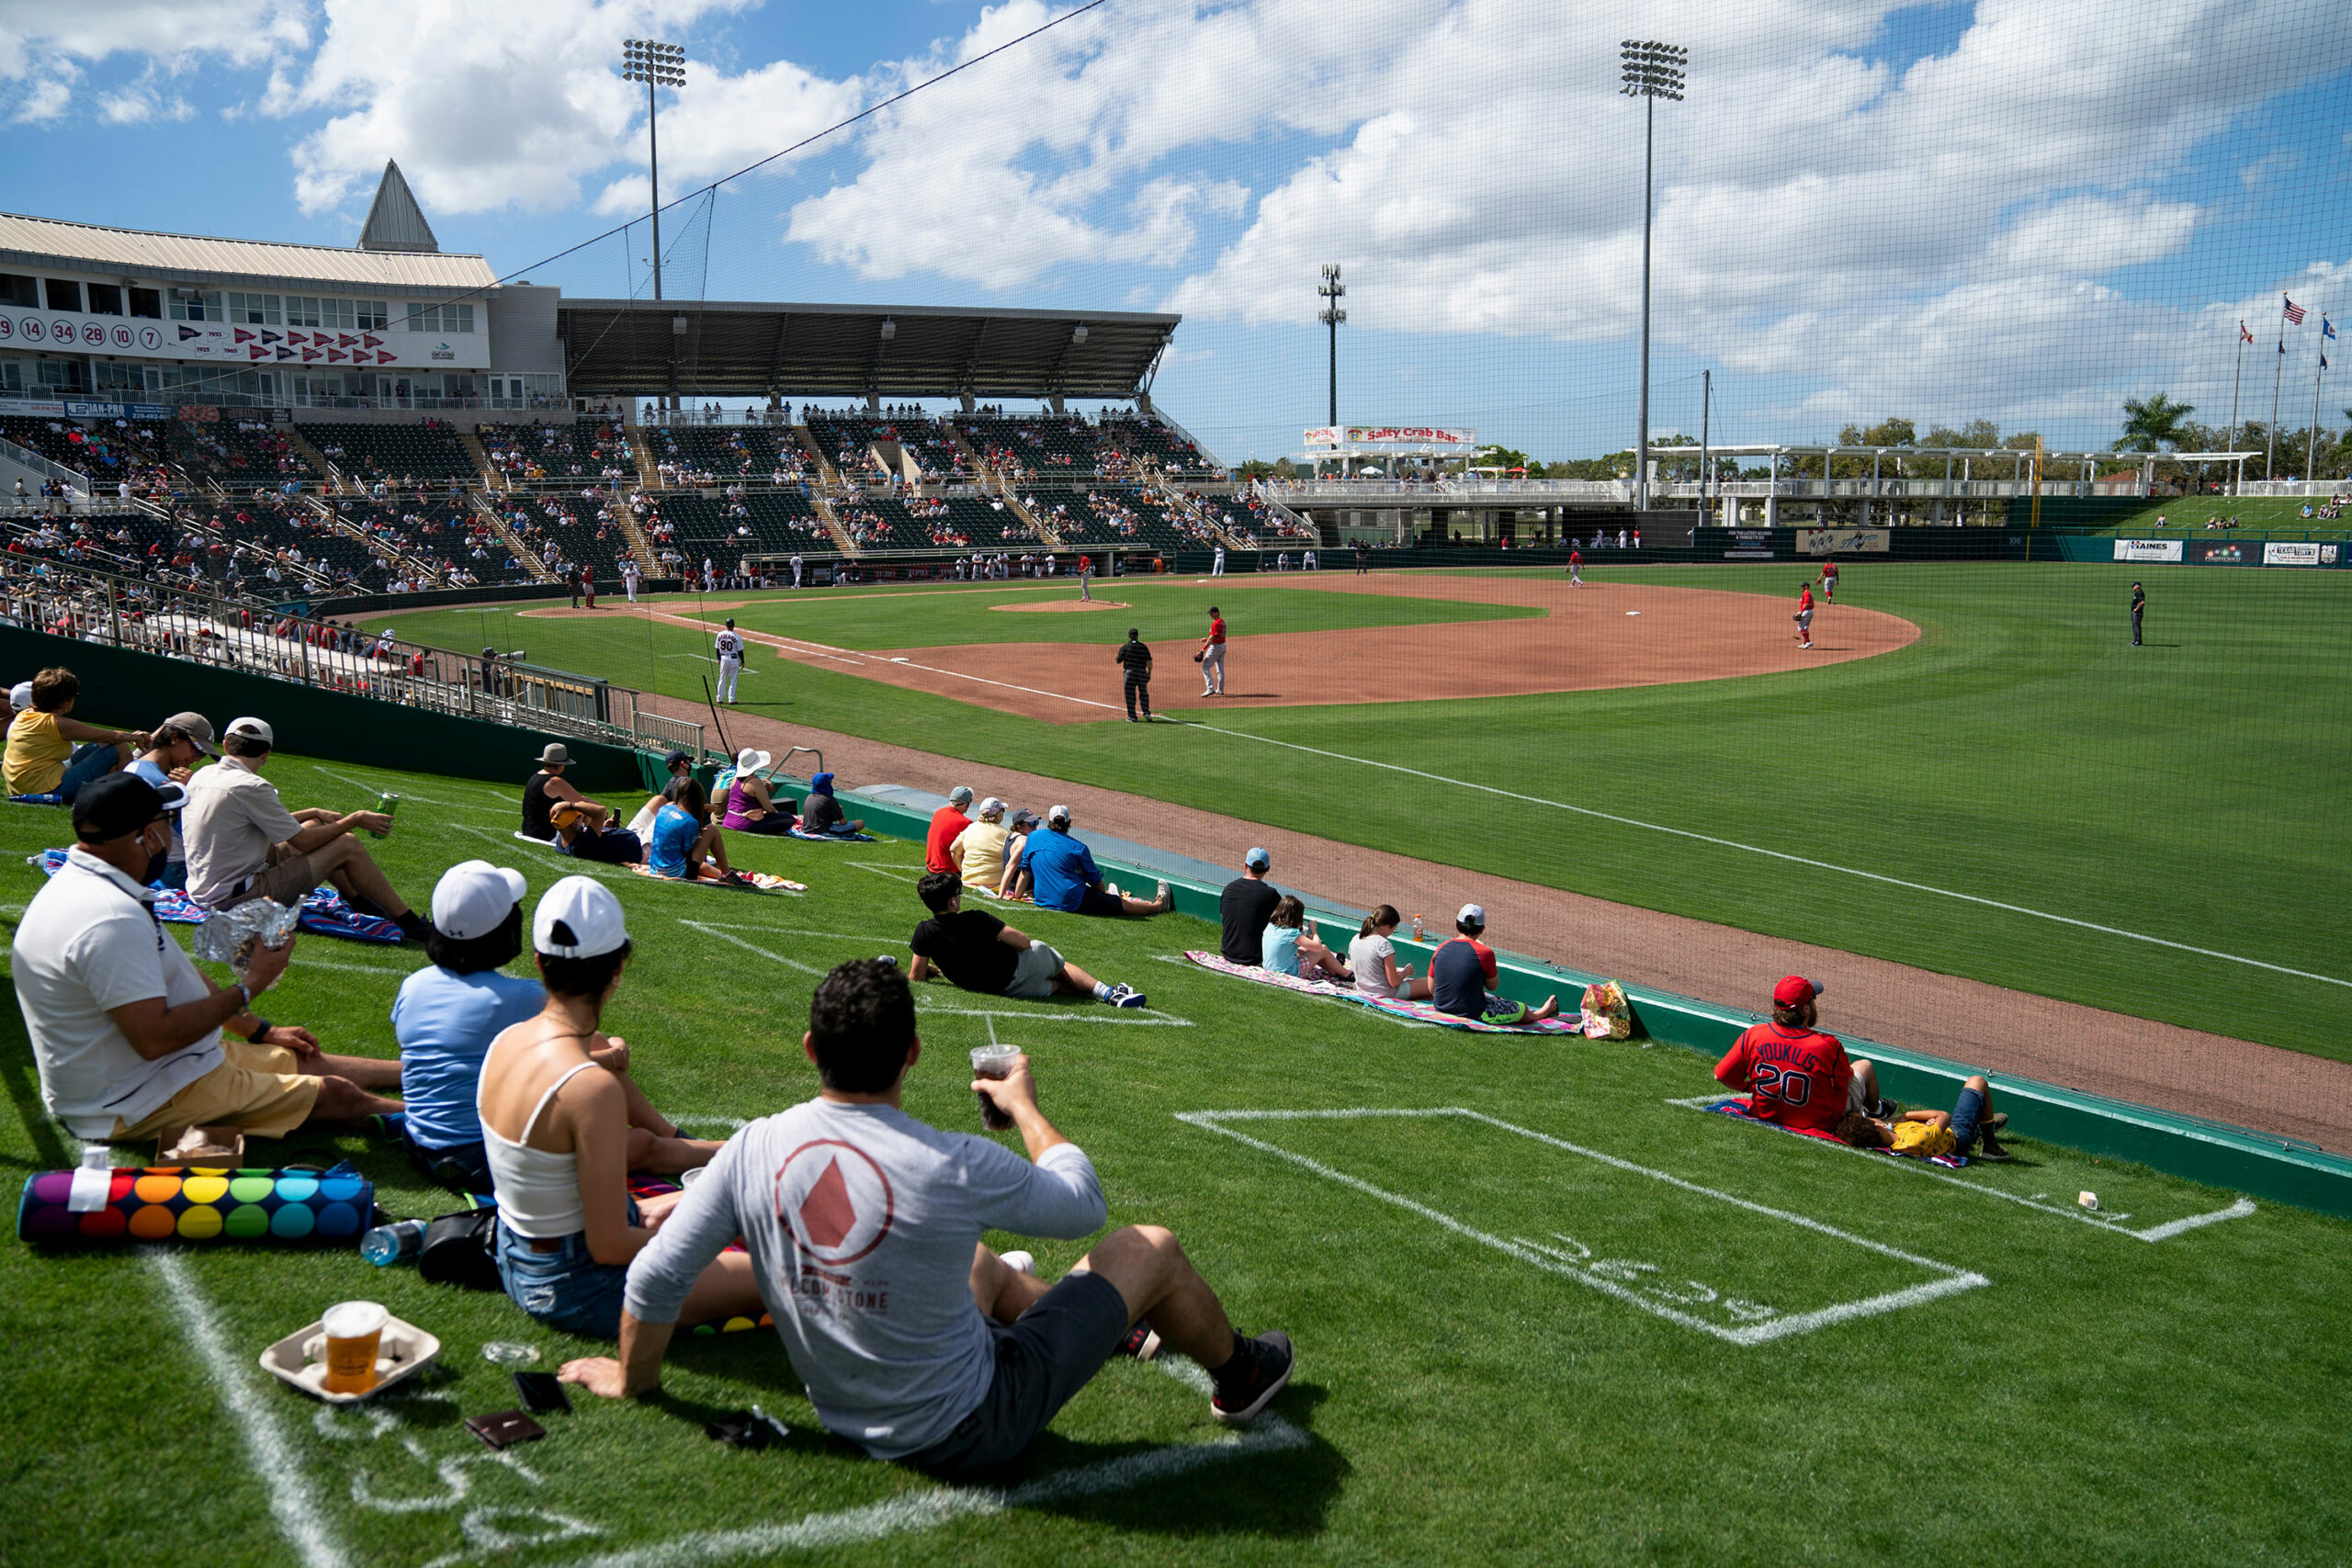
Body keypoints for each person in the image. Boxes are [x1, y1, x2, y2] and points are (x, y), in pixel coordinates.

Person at [560, 958, 1295, 1470]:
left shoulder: (754, 1146)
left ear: (811, 1048)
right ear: (912, 1054)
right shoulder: (949, 1160)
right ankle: (1242, 1373)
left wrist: (633, 1379)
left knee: (976, 1262)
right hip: (971, 1426)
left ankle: (1110, 1329)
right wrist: (1025, 1108)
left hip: (846, 1410)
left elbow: (653, 1277)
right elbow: (1084, 1204)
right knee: (1150, 1245)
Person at [13, 773, 401, 1142]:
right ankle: (439, 1126)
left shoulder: (93, 886)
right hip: (133, 1099)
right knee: (339, 1095)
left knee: (306, 1061)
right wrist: (252, 985)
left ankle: (432, 1071)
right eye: (168, 824)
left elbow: (175, 974)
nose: (171, 836)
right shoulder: (110, 918)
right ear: (146, 837)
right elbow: (154, 1039)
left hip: (156, 1071)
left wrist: (261, 1032)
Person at [480, 876, 754, 1337]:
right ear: (617, 970)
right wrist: (704, 1240)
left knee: (721, 1205)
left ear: (539, 961)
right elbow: (609, 1246)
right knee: (794, 1272)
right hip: (580, 1286)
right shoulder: (591, 1087)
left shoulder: (505, 1042)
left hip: (518, 1258)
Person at [180, 717, 428, 941]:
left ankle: (359, 901)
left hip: (207, 886)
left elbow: (255, 823)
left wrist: (313, 812)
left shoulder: (204, 774)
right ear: (265, 754)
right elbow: (304, 842)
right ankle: (410, 922)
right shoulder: (252, 786)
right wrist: (354, 820)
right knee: (347, 844)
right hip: (232, 898)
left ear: (226, 745)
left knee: (313, 825)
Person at [910, 873, 1147, 1007]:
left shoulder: (924, 932)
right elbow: (1023, 943)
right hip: (1013, 971)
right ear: (952, 901)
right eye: (958, 894)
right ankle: (1109, 993)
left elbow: (916, 976)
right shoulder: (975, 918)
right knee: (1049, 957)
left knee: (1058, 985)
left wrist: (930, 969)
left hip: (1004, 990)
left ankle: (1111, 994)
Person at [1713, 976, 1864, 1134]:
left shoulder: (1755, 1035)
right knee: (1864, 1067)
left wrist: (1746, 1088)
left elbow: (1721, 1076)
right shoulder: (1827, 1045)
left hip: (1765, 1115)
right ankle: (1876, 1111)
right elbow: (1846, 1081)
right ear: (1806, 1009)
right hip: (1817, 1123)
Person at [5, 666, 148, 801]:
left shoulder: (25, 715)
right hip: (46, 789)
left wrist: (131, 736)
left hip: (19, 787)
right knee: (119, 746)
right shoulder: (55, 723)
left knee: (103, 743)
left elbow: (104, 736)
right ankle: (126, 797)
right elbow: (115, 737)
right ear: (65, 701)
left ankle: (110, 793)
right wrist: (136, 738)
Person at [1020, 805, 1172, 917]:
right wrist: (1103, 897)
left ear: (1049, 820)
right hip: (1072, 901)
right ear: (1069, 822)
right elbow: (1098, 883)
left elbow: (1025, 872)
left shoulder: (1033, 837)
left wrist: (1017, 894)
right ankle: (1159, 906)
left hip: (1042, 898)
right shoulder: (1078, 848)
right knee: (1121, 904)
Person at [127, 712, 219, 891]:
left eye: (202, 754)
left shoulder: (136, 766)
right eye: (196, 749)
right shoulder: (160, 782)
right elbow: (193, 832)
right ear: (174, 737)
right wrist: (189, 791)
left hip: (147, 862)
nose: (197, 758)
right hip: (172, 867)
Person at [1835, 1072, 2011, 1161]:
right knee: (1977, 1081)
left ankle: (1980, 1129)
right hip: (1957, 1136)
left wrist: (1927, 1123)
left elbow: (1934, 1121)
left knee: (1973, 1107)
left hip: (1940, 1131)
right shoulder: (1914, 1140)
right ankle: (1989, 1145)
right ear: (1877, 1126)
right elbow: (1944, 1116)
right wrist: (1907, 1115)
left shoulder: (1891, 1133)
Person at [1428, 905, 1559, 1023]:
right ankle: (1540, 1014)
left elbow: (1431, 988)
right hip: (1473, 1013)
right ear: (1482, 929)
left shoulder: (1441, 947)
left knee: (1492, 998)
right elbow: (1493, 986)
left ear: (1456, 925)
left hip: (1441, 1008)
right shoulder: (1484, 952)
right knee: (1521, 1008)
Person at [648, 778, 751, 886]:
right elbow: (688, 851)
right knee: (712, 830)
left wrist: (704, 807)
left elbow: (676, 805)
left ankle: (724, 874)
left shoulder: (664, 809)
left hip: (655, 867)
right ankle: (727, 874)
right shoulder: (690, 822)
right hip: (676, 872)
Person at [521, 742, 611, 843]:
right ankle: (593, 840)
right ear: (560, 765)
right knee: (584, 809)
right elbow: (582, 800)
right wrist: (602, 814)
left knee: (580, 809)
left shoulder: (536, 776)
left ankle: (593, 835)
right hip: (546, 834)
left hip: (529, 830)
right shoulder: (555, 782)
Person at [1348, 905, 1431, 1000]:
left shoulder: (1356, 938)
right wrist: (1405, 972)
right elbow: (1394, 982)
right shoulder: (1383, 944)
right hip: (1386, 992)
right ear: (1387, 927)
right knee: (1432, 984)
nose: (1392, 932)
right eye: (1393, 929)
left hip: (1363, 989)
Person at [1263, 894, 1351, 983]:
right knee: (1323, 949)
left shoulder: (1271, 926)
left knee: (1306, 949)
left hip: (1270, 968)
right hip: (1287, 973)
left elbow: (1306, 943)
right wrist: (1313, 929)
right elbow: (1318, 947)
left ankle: (1335, 969)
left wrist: (1306, 934)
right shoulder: (1291, 933)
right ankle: (1347, 974)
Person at [1218, 846, 1281, 964]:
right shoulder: (1270, 894)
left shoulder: (1229, 888)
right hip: (1256, 958)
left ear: (1245, 865)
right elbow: (1285, 925)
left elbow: (1224, 917)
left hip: (1228, 953)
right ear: (1268, 869)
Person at [721, 748, 795, 836]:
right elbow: (769, 809)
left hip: (729, 820)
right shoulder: (755, 782)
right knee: (789, 818)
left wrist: (763, 790)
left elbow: (743, 798)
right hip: (745, 824)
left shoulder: (734, 779)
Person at [949, 797, 1012, 891]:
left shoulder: (971, 827)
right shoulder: (1005, 834)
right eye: (1002, 810)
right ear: (998, 813)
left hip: (968, 881)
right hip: (993, 885)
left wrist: (962, 870)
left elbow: (954, 849)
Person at [926, 785, 976, 874]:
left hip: (931, 865)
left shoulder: (939, 812)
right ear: (967, 804)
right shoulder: (965, 822)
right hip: (948, 871)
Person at [798, 772, 865, 837]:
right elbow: (843, 822)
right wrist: (840, 810)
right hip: (823, 831)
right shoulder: (828, 799)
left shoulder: (809, 797)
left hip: (807, 829)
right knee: (860, 823)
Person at [1113, 627, 1155, 722]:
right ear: (1137, 636)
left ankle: (1132, 716)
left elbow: (1118, 661)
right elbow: (1149, 662)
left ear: (1129, 636)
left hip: (1130, 673)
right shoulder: (1143, 647)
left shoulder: (1125, 647)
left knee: (1130, 694)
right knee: (1143, 693)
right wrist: (1149, 673)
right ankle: (1146, 712)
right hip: (1141, 672)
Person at [999, 807, 1040, 900]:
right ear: (1019, 827)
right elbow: (1009, 867)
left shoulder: (1009, 836)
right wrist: (1000, 895)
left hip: (1010, 889)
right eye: (1031, 824)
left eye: (1036, 822)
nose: (1035, 826)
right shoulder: (1024, 841)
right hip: (1022, 892)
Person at [1198, 605, 1227, 696]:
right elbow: (1216, 636)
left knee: (1205, 667)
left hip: (1216, 647)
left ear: (1216, 613)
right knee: (1220, 668)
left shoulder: (1216, 624)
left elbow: (1212, 637)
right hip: (1222, 646)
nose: (1210, 615)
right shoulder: (1222, 622)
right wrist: (1206, 639)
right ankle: (1220, 689)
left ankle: (1210, 688)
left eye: (1211, 613)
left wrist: (1202, 650)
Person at [714, 618, 745, 704]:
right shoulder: (737, 636)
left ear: (726, 625)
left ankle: (719, 698)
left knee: (722, 678)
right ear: (733, 626)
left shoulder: (720, 634)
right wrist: (742, 661)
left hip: (723, 658)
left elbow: (717, 649)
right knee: (733, 680)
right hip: (733, 659)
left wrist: (719, 659)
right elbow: (740, 651)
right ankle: (731, 699)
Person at [1792, 579, 1815, 649]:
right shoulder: (1809, 593)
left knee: (1800, 627)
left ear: (1806, 586)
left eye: (1802, 586)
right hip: (1809, 611)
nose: (1801, 588)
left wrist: (1801, 612)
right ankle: (1805, 643)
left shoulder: (1806, 593)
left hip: (1806, 611)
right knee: (1805, 628)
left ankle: (1808, 641)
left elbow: (1806, 603)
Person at [2131, 581, 2145, 647]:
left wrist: (2136, 609)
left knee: (2137, 626)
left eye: (2134, 586)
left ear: (2137, 586)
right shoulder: (2137, 593)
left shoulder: (2140, 593)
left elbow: (2142, 602)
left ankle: (2139, 641)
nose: (2133, 587)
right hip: (2135, 613)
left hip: (2138, 613)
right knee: (2134, 626)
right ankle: (2135, 640)